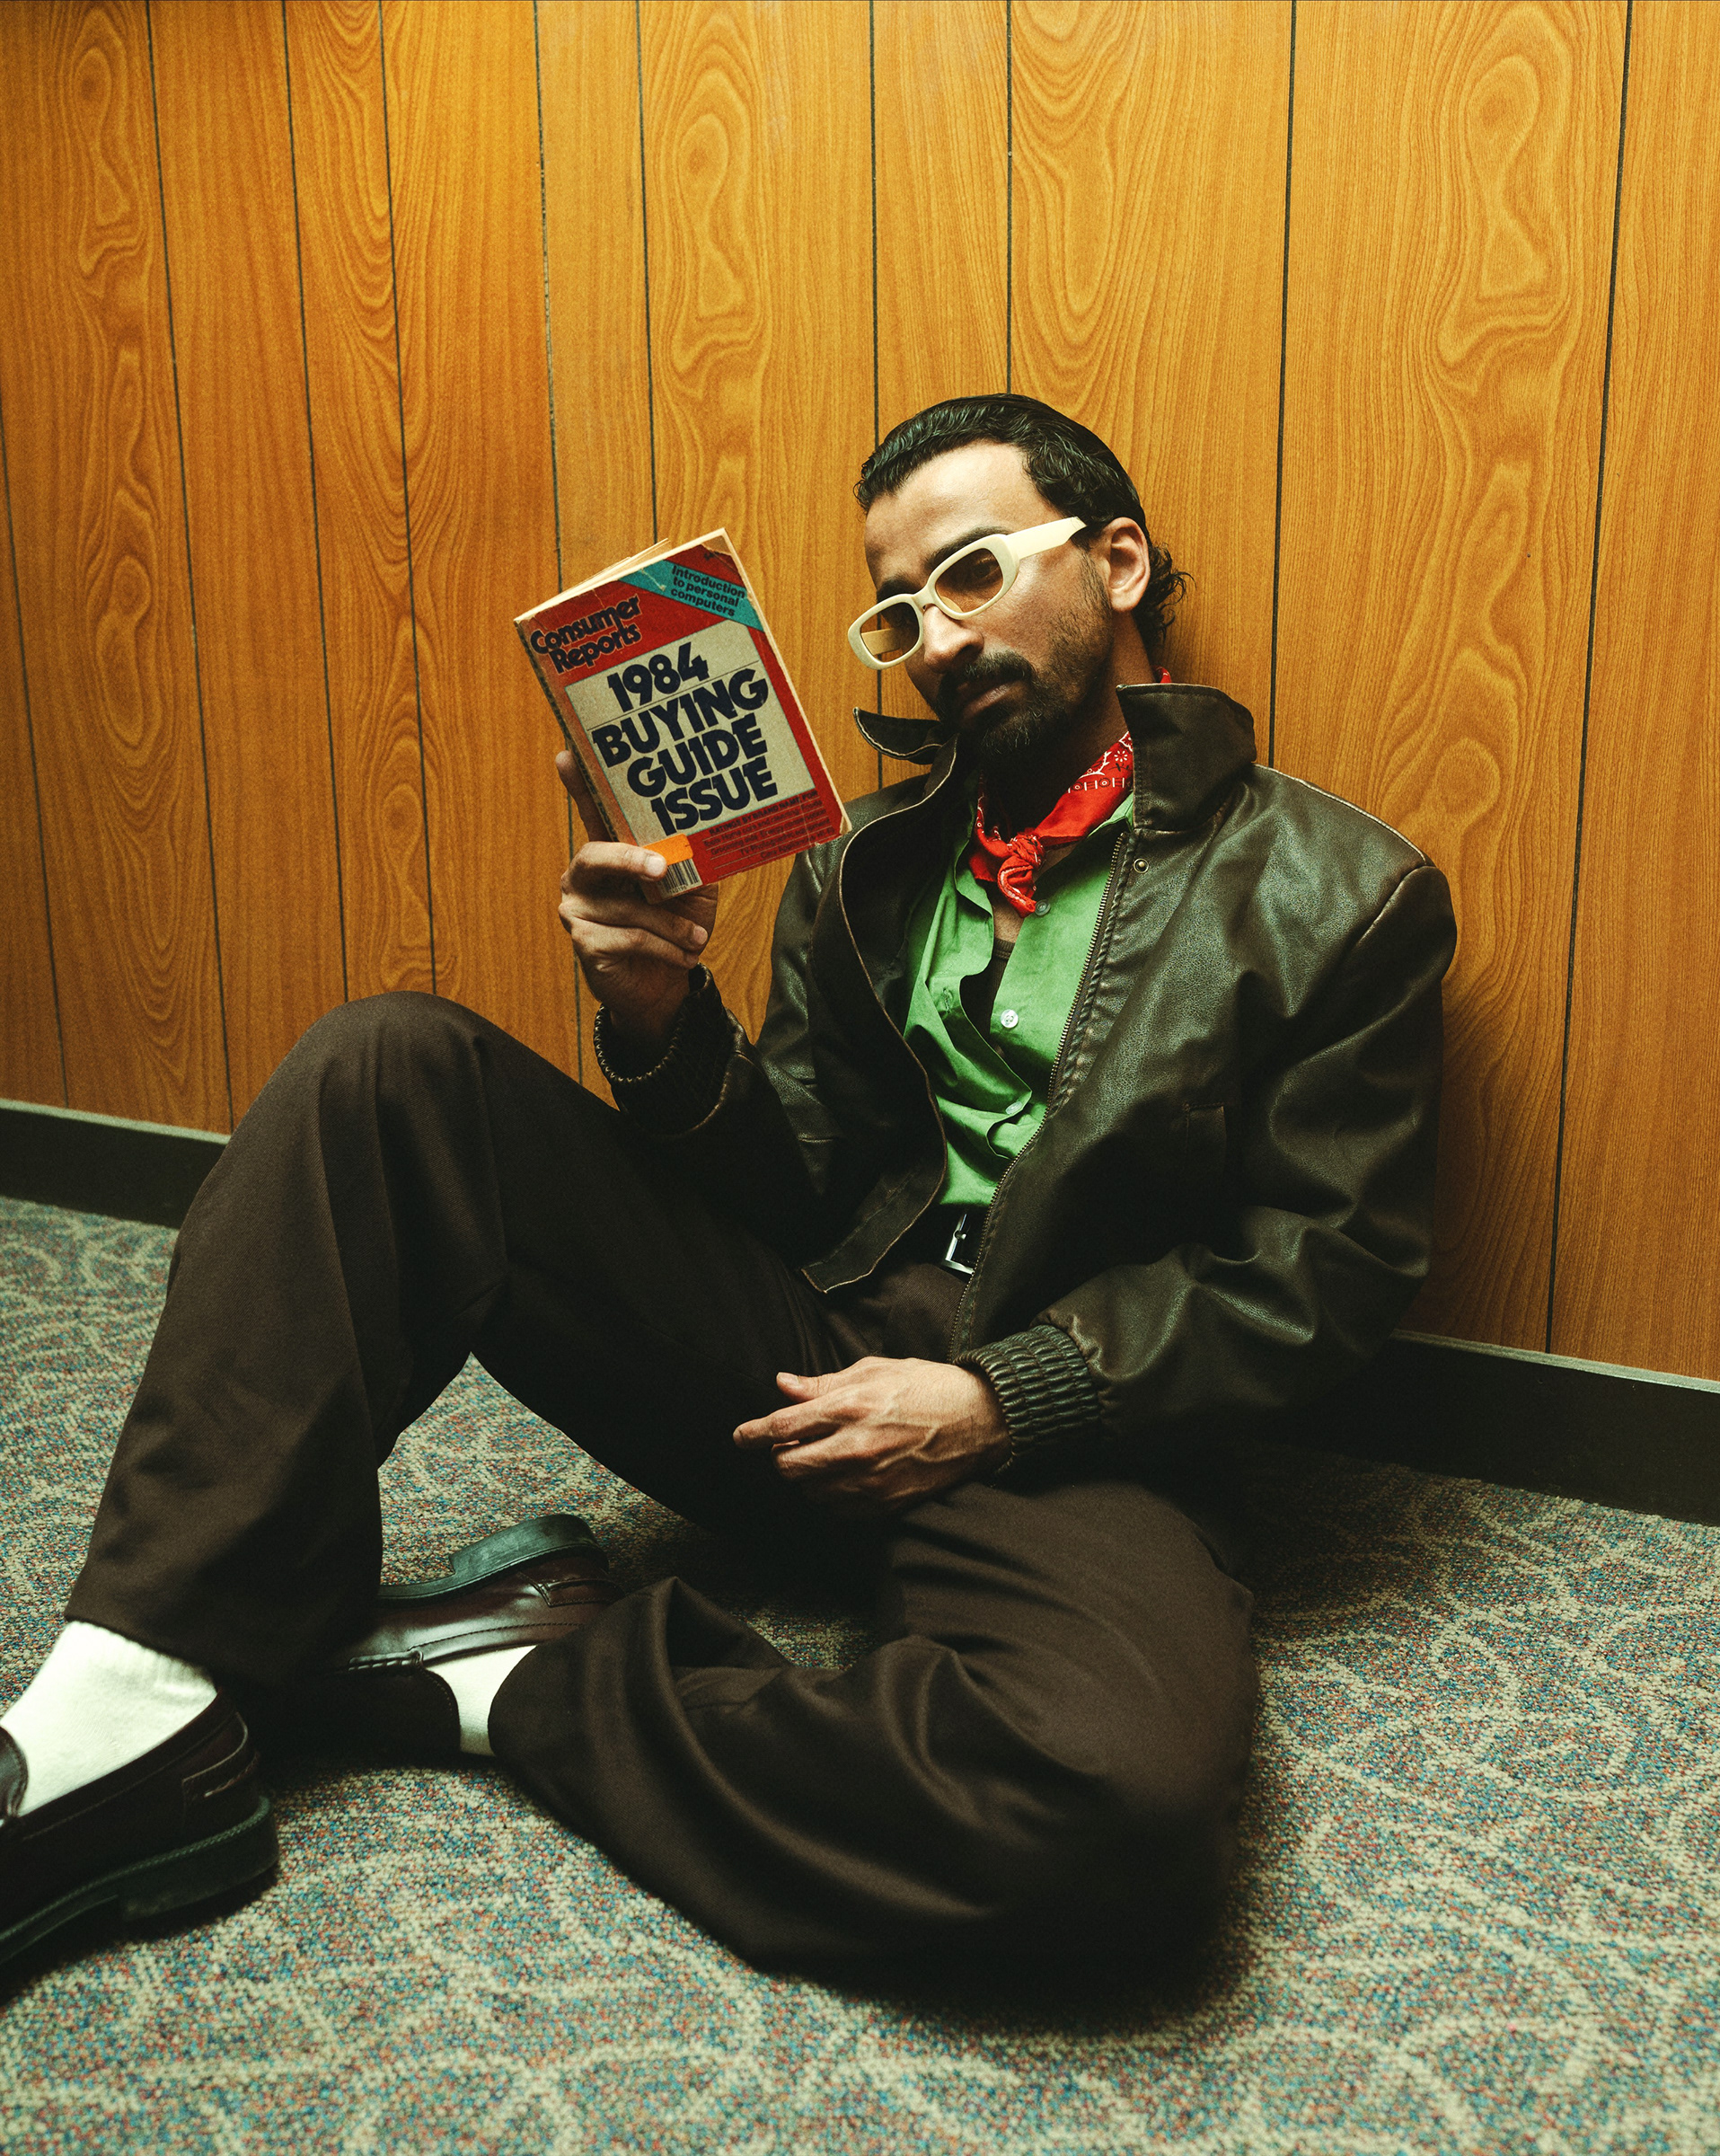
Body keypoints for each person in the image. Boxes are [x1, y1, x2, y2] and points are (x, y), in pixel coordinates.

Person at [0, 396, 1454, 1978]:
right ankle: (129, 1700)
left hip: (1084, 1417)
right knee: (386, 1068)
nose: (937, 637)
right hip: (809, 1356)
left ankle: (510, 1675)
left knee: (1110, 1811)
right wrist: (662, 1021)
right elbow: (802, 1181)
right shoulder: (864, 860)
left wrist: (999, 1399)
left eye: (973, 573)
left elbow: (1320, 1276)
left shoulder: (1341, 896)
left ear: (1116, 563)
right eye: (901, 610)